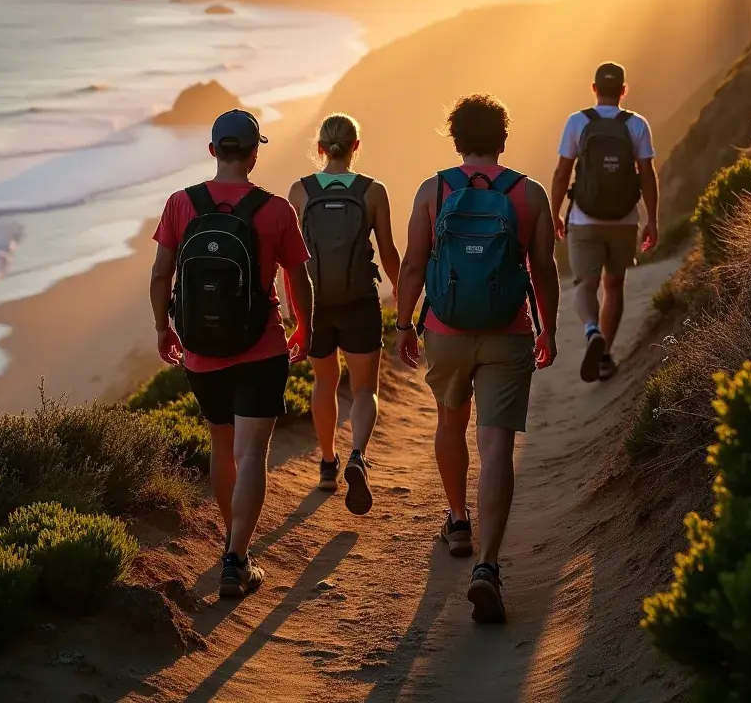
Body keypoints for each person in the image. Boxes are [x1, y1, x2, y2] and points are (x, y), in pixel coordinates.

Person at [396, 94, 559, 624]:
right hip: (508, 331)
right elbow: (543, 270)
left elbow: (413, 265)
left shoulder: (434, 189)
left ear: (457, 141)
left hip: (445, 329)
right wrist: (548, 330)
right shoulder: (528, 193)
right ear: (503, 141)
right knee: (496, 445)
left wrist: (403, 324)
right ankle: (487, 566)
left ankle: (458, 520)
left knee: (449, 420)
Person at [150, 108, 313, 599]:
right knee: (251, 454)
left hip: (201, 352)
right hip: (260, 348)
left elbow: (161, 275)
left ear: (213, 150)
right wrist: (305, 326)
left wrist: (163, 328)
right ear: (255, 153)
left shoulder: (181, 204)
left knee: (224, 449)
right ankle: (238, 556)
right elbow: (297, 277)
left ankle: (232, 543)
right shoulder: (276, 209)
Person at [287, 114, 401, 515]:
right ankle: (357, 455)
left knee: (324, 382)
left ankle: (327, 463)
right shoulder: (373, 191)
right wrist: (404, 293)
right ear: (356, 146)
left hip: (317, 305)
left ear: (320, 148)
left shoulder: (299, 192)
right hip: (359, 302)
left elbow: (292, 261)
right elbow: (387, 251)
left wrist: (293, 311)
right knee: (364, 388)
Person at [550, 61, 659, 383]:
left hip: (585, 217)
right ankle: (605, 356)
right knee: (614, 285)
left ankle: (591, 329)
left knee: (586, 283)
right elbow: (648, 176)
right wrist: (652, 219)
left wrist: (555, 213)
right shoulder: (637, 125)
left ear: (594, 89)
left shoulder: (577, 122)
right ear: (624, 90)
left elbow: (561, 173)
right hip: (624, 219)